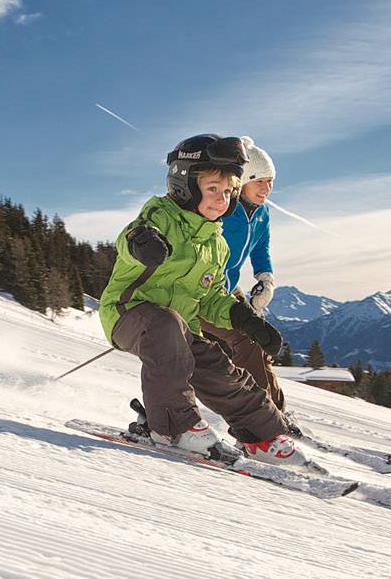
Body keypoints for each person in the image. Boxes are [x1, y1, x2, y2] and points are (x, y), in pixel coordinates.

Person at [98, 134, 305, 465]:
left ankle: (263, 435)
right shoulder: (161, 216)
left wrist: (243, 319)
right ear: (185, 186)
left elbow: (209, 297)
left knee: (222, 371)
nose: (221, 199)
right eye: (212, 189)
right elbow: (130, 236)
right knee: (166, 325)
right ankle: (172, 427)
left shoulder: (217, 244)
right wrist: (141, 242)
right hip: (129, 314)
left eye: (228, 192)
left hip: (180, 330)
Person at [201, 136, 286, 410]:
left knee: (260, 344)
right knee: (247, 343)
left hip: (229, 287)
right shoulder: (223, 209)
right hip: (204, 290)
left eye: (271, 181)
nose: (267, 188)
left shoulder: (262, 214)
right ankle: (262, 415)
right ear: (243, 181)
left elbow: (261, 248)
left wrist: (265, 278)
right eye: (260, 180)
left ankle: (277, 410)